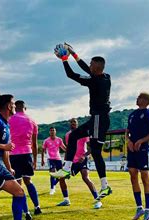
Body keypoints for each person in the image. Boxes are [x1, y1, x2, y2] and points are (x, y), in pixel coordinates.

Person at [53, 43, 112, 199]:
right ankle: (105, 186)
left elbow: (71, 75)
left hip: (99, 120)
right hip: (98, 119)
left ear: (97, 67)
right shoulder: (106, 77)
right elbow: (87, 69)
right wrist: (74, 54)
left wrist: (64, 59)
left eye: (92, 63)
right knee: (81, 142)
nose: (89, 65)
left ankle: (67, 169)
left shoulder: (95, 82)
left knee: (92, 149)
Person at [125, 92, 149, 220]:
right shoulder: (132, 114)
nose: (136, 99)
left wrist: (141, 141)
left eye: (138, 97)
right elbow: (127, 132)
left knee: (144, 177)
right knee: (133, 175)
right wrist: (128, 141)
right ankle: (139, 208)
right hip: (131, 149)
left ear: (145, 100)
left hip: (143, 149)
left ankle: (148, 209)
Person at [9, 100, 42, 218]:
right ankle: (37, 206)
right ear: (25, 108)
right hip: (27, 153)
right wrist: (34, 159)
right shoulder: (32, 121)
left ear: (14, 107)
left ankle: (26, 212)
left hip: (13, 154)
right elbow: (34, 144)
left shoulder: (9, 119)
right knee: (28, 181)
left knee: (18, 185)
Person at [65, 118, 102, 209]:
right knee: (61, 177)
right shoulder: (67, 135)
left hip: (82, 159)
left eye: (75, 122)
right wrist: (66, 162)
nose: (73, 124)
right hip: (72, 161)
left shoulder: (83, 134)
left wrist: (84, 156)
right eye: (72, 122)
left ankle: (98, 200)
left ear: (77, 124)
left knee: (85, 177)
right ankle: (66, 199)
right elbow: (68, 149)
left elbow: (91, 149)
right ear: (69, 124)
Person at [41, 127, 67, 200]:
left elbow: (64, 148)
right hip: (50, 159)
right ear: (49, 132)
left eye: (53, 130)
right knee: (52, 172)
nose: (52, 132)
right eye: (51, 130)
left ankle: (54, 184)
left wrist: (69, 152)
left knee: (61, 174)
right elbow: (43, 150)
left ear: (56, 132)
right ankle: (52, 188)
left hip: (58, 159)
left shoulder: (59, 140)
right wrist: (43, 160)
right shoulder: (46, 140)